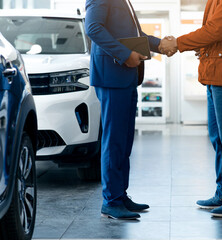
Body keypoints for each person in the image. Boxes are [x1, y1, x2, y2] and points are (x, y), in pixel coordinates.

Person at [159, 0, 222, 217]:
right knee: (218, 138)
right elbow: (216, 34)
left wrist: (178, 43)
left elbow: (216, 30)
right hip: (217, 73)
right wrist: (202, 46)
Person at [85, 0, 164, 220]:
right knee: (114, 141)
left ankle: (120, 195)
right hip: (112, 75)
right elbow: (93, 28)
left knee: (124, 141)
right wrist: (125, 54)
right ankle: (111, 201)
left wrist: (162, 45)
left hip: (125, 77)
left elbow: (137, 36)